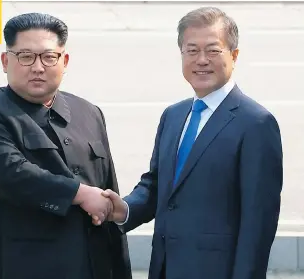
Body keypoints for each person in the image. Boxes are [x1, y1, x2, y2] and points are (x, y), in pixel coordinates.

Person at [96, 6, 283, 279]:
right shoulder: (174, 115)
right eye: (192, 50)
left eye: (213, 50)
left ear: (234, 55)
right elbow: (157, 185)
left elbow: (258, 224)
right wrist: (124, 208)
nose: (202, 60)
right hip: (165, 268)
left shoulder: (256, 124)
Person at [0, 13, 131, 279]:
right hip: (20, 268)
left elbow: (108, 190)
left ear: (64, 61)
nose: (38, 67)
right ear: (6, 61)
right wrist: (81, 193)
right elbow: (11, 175)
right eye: (26, 56)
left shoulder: (88, 112)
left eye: (49, 57)